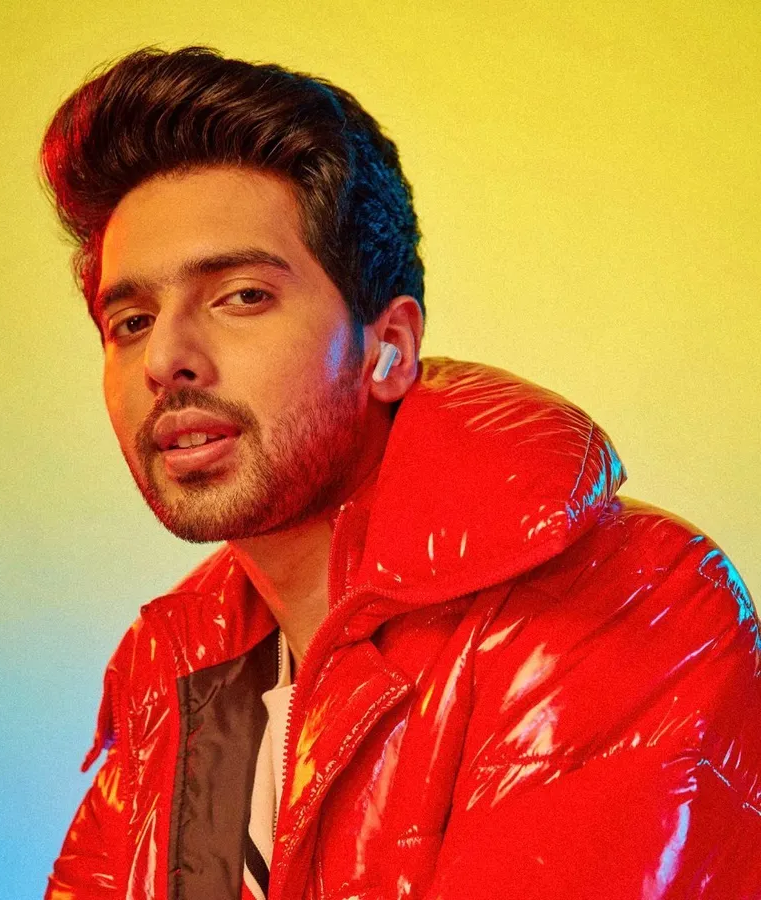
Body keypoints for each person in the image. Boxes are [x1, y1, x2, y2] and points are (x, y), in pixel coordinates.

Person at [39, 46, 760, 900]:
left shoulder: (629, 599)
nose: (166, 358)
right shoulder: (173, 662)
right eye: (130, 320)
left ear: (388, 348)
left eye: (241, 296)